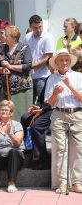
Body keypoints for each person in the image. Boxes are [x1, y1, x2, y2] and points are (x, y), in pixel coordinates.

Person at [44, 49, 82, 194]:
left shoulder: (79, 76)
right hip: (59, 114)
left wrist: (70, 85)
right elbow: (50, 103)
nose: (64, 62)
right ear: (57, 62)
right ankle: (63, 183)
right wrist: (55, 93)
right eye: (61, 60)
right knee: (61, 150)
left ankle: (77, 182)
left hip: (77, 114)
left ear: (70, 62)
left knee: (78, 151)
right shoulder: (52, 78)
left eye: (66, 60)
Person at [20, 56, 54, 170]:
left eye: (53, 68)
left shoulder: (61, 78)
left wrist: (42, 110)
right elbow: (41, 97)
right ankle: (30, 148)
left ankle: (41, 158)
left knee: (37, 125)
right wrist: (37, 107)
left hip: (54, 109)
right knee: (25, 118)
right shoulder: (50, 78)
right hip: (44, 108)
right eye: (50, 69)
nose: (51, 71)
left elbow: (54, 101)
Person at [0, 25, 33, 121]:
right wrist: (3, 70)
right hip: (4, 87)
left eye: (7, 35)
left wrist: (9, 66)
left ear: (14, 37)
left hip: (21, 88)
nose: (4, 37)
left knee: (20, 115)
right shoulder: (1, 48)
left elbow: (27, 66)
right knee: (5, 115)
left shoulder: (24, 48)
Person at [0, 100, 24, 193]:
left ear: (11, 113)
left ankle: (11, 183)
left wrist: (10, 134)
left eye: (6, 110)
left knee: (13, 152)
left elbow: (18, 143)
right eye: (1, 110)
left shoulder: (17, 125)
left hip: (14, 158)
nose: (3, 112)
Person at [25, 14, 55, 102]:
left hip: (43, 76)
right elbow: (24, 53)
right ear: (30, 27)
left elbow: (48, 58)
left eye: (40, 27)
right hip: (29, 76)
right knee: (30, 104)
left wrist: (30, 66)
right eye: (35, 28)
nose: (38, 30)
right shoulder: (27, 37)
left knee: (41, 104)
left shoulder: (48, 37)